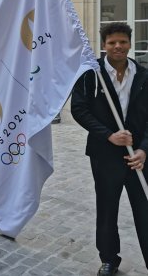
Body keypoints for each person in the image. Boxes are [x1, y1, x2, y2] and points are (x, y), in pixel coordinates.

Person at [71, 22, 148, 275]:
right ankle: (109, 259)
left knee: (144, 208)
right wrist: (108, 136)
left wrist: (144, 150)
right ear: (104, 45)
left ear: (129, 43)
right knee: (107, 208)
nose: (118, 46)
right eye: (112, 42)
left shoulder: (143, 74)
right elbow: (79, 110)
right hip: (105, 155)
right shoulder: (91, 74)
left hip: (139, 157)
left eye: (122, 42)